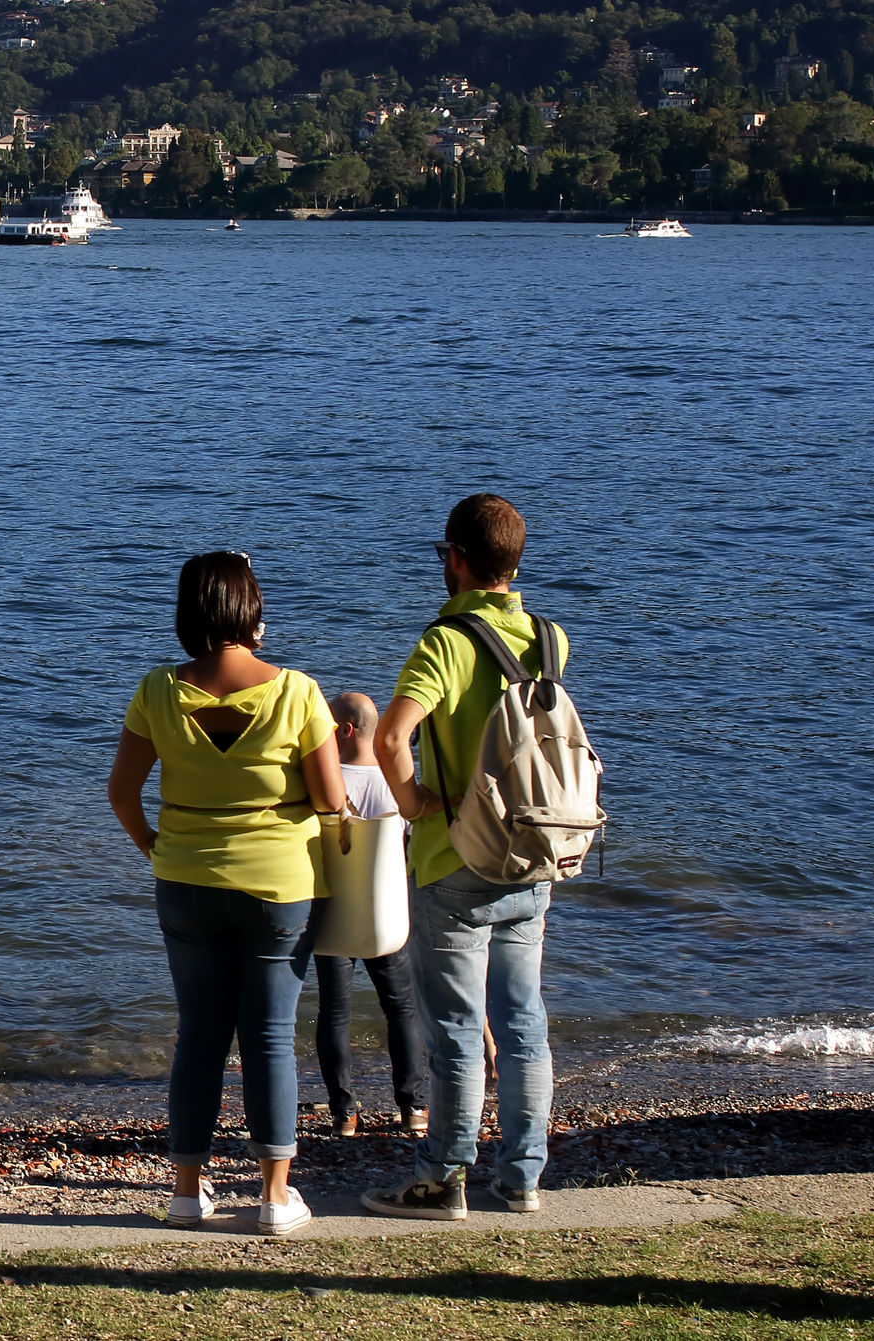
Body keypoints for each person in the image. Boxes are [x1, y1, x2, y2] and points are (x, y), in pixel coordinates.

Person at [107, 551, 348, 1237]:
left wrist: (156, 846)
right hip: (281, 885)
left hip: (185, 879)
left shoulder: (157, 690)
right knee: (270, 1035)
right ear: (252, 609)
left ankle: (187, 1192)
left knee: (199, 1033)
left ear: (187, 612)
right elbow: (331, 799)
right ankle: (274, 1196)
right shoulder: (297, 692)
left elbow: (121, 792)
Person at [361, 494, 566, 1221]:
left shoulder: (445, 643)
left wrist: (415, 802)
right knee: (524, 1021)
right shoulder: (549, 638)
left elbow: (391, 737)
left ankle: (442, 1178)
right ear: (515, 563)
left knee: (455, 1029)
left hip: (455, 860)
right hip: (533, 853)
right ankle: (523, 1177)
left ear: (455, 558)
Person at [314, 691, 431, 1138]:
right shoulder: (396, 780)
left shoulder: (323, 779)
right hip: (385, 910)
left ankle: (343, 1112)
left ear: (344, 730)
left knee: (334, 1011)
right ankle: (413, 1107)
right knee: (401, 1008)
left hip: (333, 911)